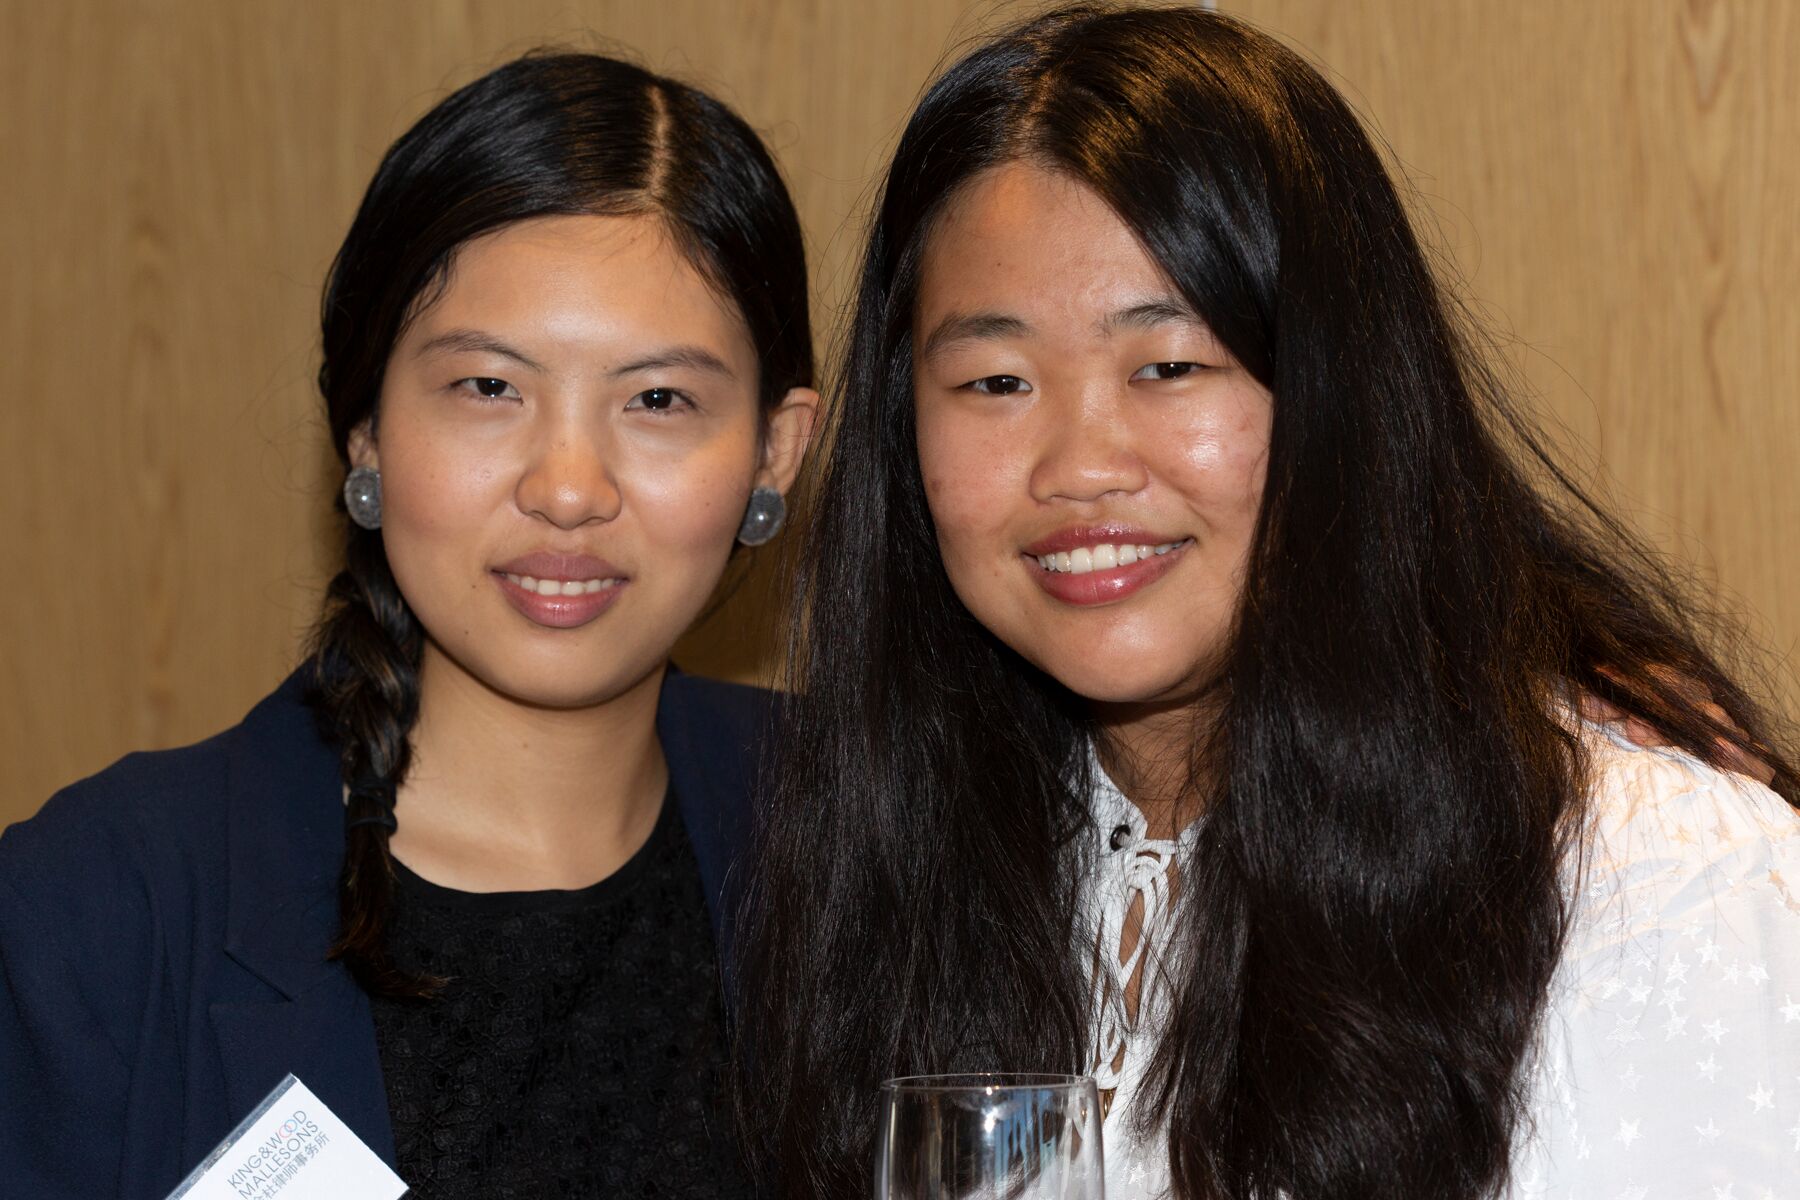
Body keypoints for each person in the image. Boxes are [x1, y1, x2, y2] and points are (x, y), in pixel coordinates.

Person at [735, 6, 1798, 1199]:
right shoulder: (915, 858)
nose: (1079, 467)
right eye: (995, 380)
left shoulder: (1648, 881)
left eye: (1169, 365)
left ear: (1342, 393)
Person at [0, 51, 814, 1198]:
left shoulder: (876, 835)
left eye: (657, 400)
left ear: (775, 451)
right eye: (489, 388)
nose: (568, 488)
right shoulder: (96, 907)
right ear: (366, 429)